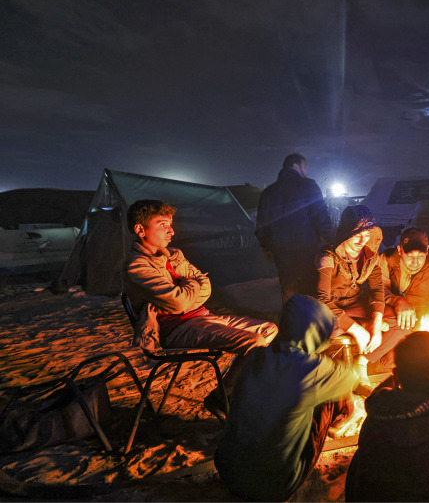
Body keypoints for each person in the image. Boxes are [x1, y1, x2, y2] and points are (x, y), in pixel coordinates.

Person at [121, 199, 278, 417]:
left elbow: (206, 289)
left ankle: (238, 393)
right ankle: (222, 399)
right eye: (162, 224)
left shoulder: (175, 256)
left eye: (170, 224)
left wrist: (188, 292)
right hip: (177, 329)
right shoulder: (138, 266)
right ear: (140, 229)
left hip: (203, 318)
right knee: (254, 343)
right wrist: (192, 286)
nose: (171, 231)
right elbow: (180, 301)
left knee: (269, 329)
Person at [214, 295, 357, 502]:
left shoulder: (256, 356)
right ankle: (336, 427)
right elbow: (350, 378)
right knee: (333, 394)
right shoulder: (314, 369)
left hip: (228, 472)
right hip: (275, 485)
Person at [345, 331, 429, 502]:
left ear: (395, 375)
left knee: (360, 458)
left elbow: (377, 393)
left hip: (375, 494)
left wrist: (402, 372)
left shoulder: (379, 405)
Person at [316, 205, 386, 390]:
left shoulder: (371, 255)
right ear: (346, 231)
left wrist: (377, 325)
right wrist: (356, 329)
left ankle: (361, 363)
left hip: (354, 303)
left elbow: (377, 290)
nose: (363, 239)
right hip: (329, 308)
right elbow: (322, 299)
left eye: (368, 232)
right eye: (357, 233)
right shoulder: (328, 256)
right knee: (321, 333)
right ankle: (336, 375)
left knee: (396, 320)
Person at [255, 153, 334, 303]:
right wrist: (332, 240)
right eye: (305, 166)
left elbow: (262, 224)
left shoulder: (268, 192)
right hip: (307, 247)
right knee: (310, 287)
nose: (307, 170)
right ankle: (310, 322)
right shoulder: (309, 186)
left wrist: (266, 247)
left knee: (288, 286)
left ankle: (290, 321)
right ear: (295, 166)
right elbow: (321, 216)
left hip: (280, 249)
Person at [380, 227, 429, 329]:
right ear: (399, 250)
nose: (415, 262)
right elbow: (378, 288)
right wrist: (397, 301)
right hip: (395, 322)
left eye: (420, 256)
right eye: (410, 256)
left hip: (427, 322)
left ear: (427, 250)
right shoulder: (387, 260)